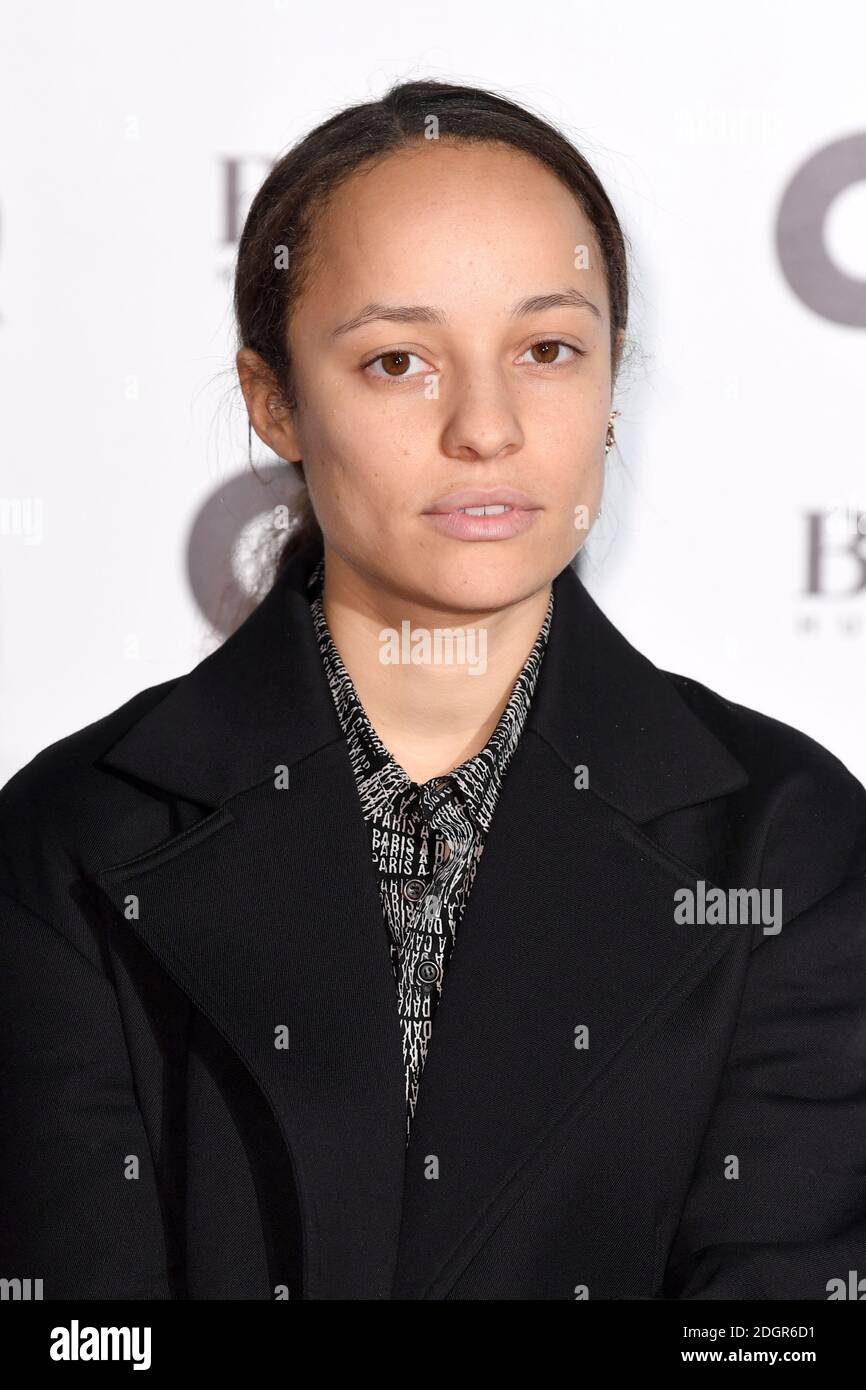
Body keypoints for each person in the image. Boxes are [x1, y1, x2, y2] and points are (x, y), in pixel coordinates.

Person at [1, 79, 865, 1301]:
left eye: (548, 349)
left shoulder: (784, 835)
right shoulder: (72, 839)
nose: (486, 427)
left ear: (614, 383)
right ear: (274, 399)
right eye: (398, 360)